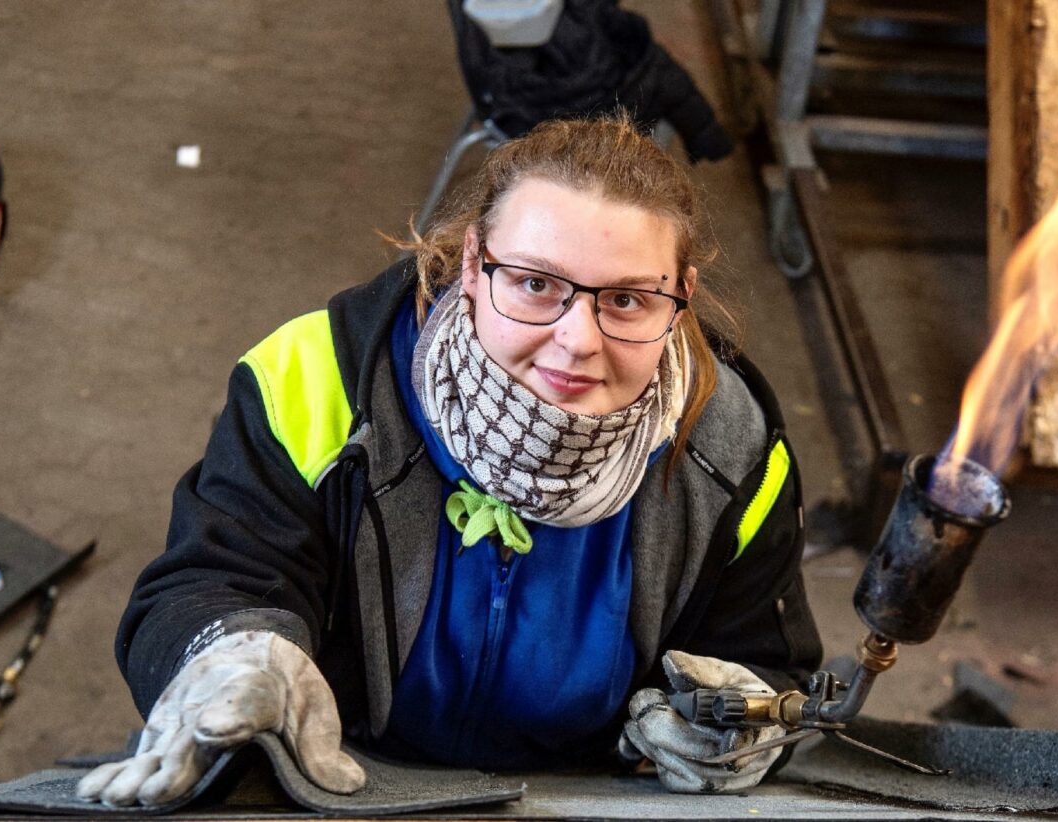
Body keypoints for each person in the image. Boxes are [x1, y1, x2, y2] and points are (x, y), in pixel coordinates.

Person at [76, 115, 822, 807]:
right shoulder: (314, 378)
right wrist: (231, 653)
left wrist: (741, 726)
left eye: (626, 300)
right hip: (344, 792)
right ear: (473, 263)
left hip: (577, 801)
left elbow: (770, 668)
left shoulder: (733, 453)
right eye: (536, 284)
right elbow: (210, 580)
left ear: (681, 298)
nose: (578, 340)